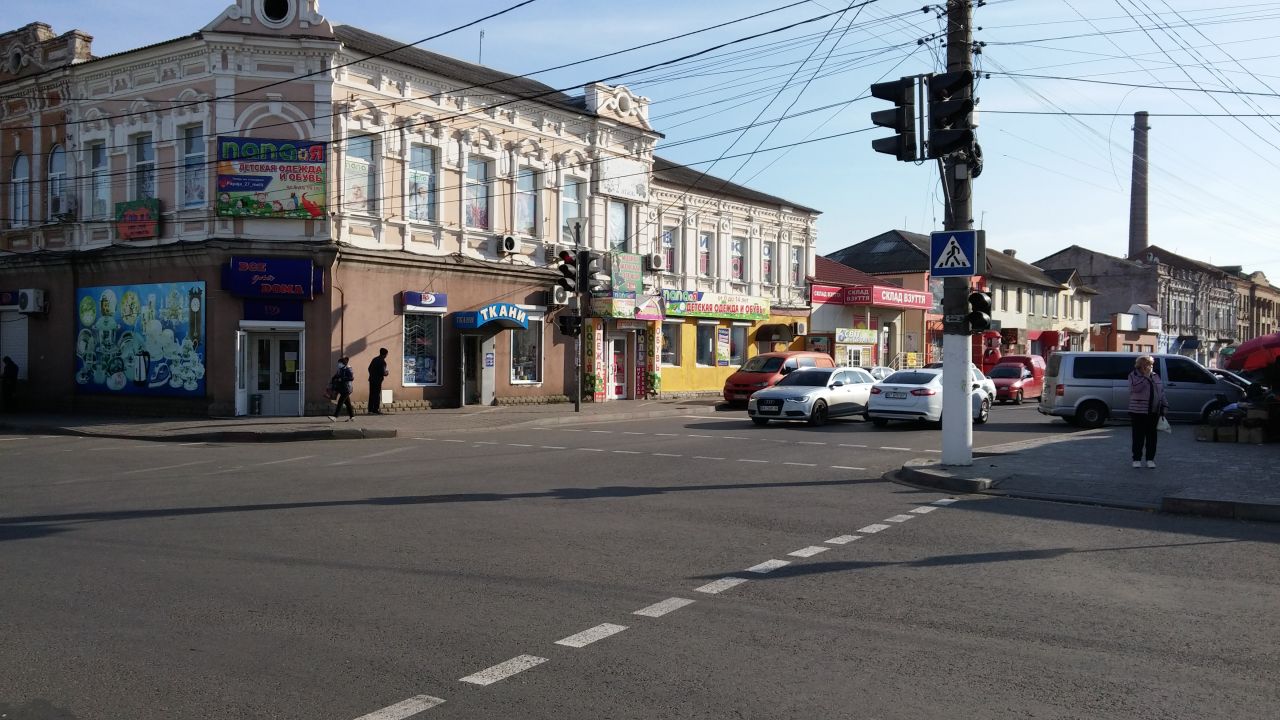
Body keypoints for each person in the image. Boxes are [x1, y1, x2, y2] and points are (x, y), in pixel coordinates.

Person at [1128, 355, 1167, 469]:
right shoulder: (1133, 375)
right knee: (1138, 436)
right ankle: (1136, 459)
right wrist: (1145, 377)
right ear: (1141, 365)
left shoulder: (1155, 376)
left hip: (1153, 411)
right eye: (1148, 364)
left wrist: (1165, 405)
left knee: (1152, 437)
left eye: (1151, 364)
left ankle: (1150, 459)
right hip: (1138, 411)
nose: (1151, 367)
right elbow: (1135, 389)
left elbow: (1161, 392)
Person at [330, 356, 354, 421]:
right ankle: (352, 416)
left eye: (339, 363)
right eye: (338, 363)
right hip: (342, 388)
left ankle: (335, 417)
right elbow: (336, 376)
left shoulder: (348, 369)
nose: (338, 364)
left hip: (347, 389)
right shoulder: (340, 369)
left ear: (343, 363)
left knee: (340, 402)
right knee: (348, 403)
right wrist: (333, 379)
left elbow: (351, 378)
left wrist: (342, 379)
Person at [367, 347, 389, 414]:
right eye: (386, 354)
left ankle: (370, 410)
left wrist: (372, 374)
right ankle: (375, 409)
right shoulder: (382, 362)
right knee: (377, 395)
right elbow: (383, 372)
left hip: (371, 379)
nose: (386, 355)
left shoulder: (374, 359)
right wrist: (386, 373)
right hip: (378, 380)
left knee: (371, 394)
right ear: (385, 354)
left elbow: (369, 368)